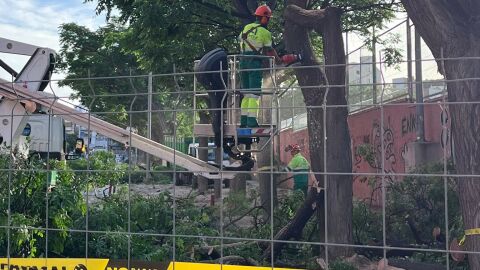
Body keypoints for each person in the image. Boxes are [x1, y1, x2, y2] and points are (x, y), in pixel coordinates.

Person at [238, 4, 280, 128]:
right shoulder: (265, 32)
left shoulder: (246, 27)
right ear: (264, 18)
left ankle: (244, 121)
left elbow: (240, 40)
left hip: (242, 62)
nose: (268, 21)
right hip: (254, 63)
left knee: (246, 94)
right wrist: (278, 59)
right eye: (268, 18)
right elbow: (269, 50)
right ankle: (252, 121)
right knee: (254, 93)